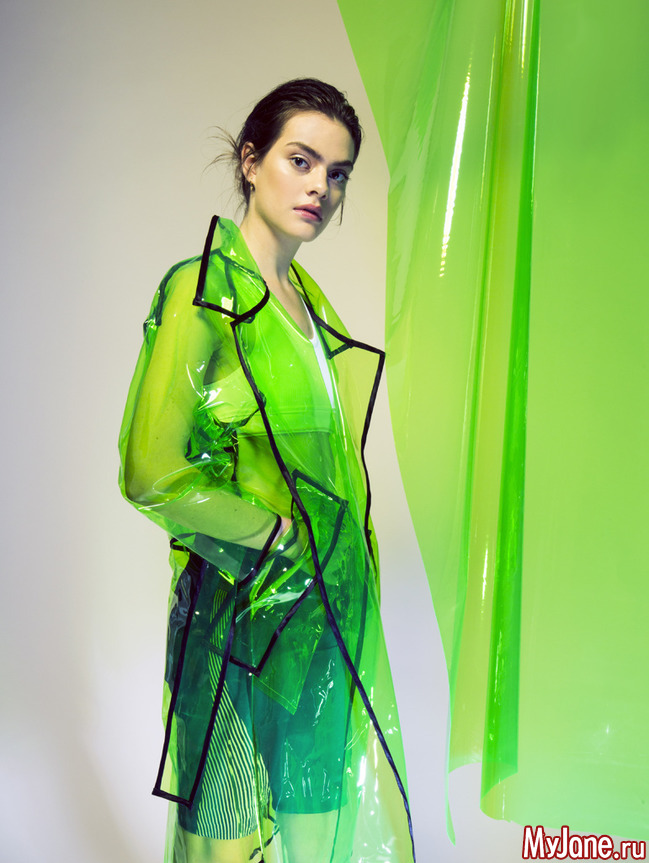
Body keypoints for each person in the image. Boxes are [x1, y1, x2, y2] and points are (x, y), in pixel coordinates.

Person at [118, 78, 415, 863]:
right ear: (250, 163)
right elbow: (151, 468)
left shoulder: (311, 313)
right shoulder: (201, 293)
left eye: (337, 172)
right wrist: (273, 534)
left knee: (320, 834)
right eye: (300, 160)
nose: (321, 187)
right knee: (226, 838)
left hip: (324, 624)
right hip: (233, 622)